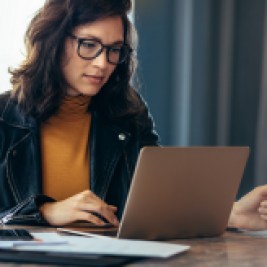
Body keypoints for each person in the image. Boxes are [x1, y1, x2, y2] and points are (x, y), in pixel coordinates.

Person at [0, 0, 159, 227]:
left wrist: (207, 210)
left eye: (114, 49)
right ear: (53, 42)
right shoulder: (3, 118)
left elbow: (160, 194)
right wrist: (44, 212)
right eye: (88, 45)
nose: (102, 63)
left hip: (111, 258)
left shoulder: (128, 114)